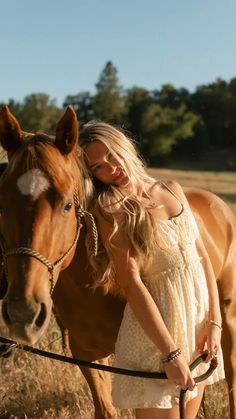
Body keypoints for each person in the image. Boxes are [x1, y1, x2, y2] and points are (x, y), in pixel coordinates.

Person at [79, 121, 225, 419]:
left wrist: (215, 322)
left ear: (123, 145)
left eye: (110, 155)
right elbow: (132, 283)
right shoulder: (113, 210)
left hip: (197, 325)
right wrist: (170, 354)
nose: (111, 168)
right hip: (158, 337)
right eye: (98, 168)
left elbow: (203, 259)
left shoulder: (171, 189)